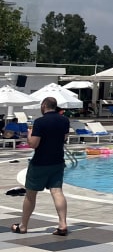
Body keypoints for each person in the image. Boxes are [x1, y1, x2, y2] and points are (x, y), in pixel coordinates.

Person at [10, 97, 70, 235]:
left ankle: (23, 226)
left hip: (40, 163)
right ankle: (62, 224)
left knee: (31, 195)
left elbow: (33, 144)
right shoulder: (64, 120)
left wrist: (29, 135)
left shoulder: (40, 122)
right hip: (58, 161)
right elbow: (64, 138)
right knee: (57, 191)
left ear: (44, 106)